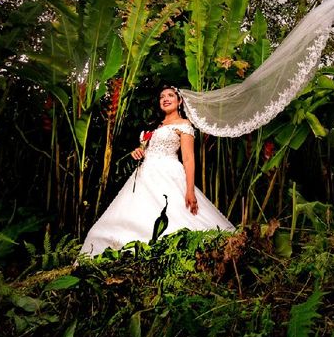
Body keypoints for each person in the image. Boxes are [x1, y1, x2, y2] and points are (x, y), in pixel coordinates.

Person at [79, 86, 235, 257]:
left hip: (168, 174)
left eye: (170, 95)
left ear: (180, 101)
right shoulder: (154, 126)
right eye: (162, 96)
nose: (165, 99)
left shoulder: (184, 125)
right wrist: (137, 152)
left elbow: (189, 159)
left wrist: (190, 190)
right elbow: (146, 150)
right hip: (144, 176)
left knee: (177, 216)